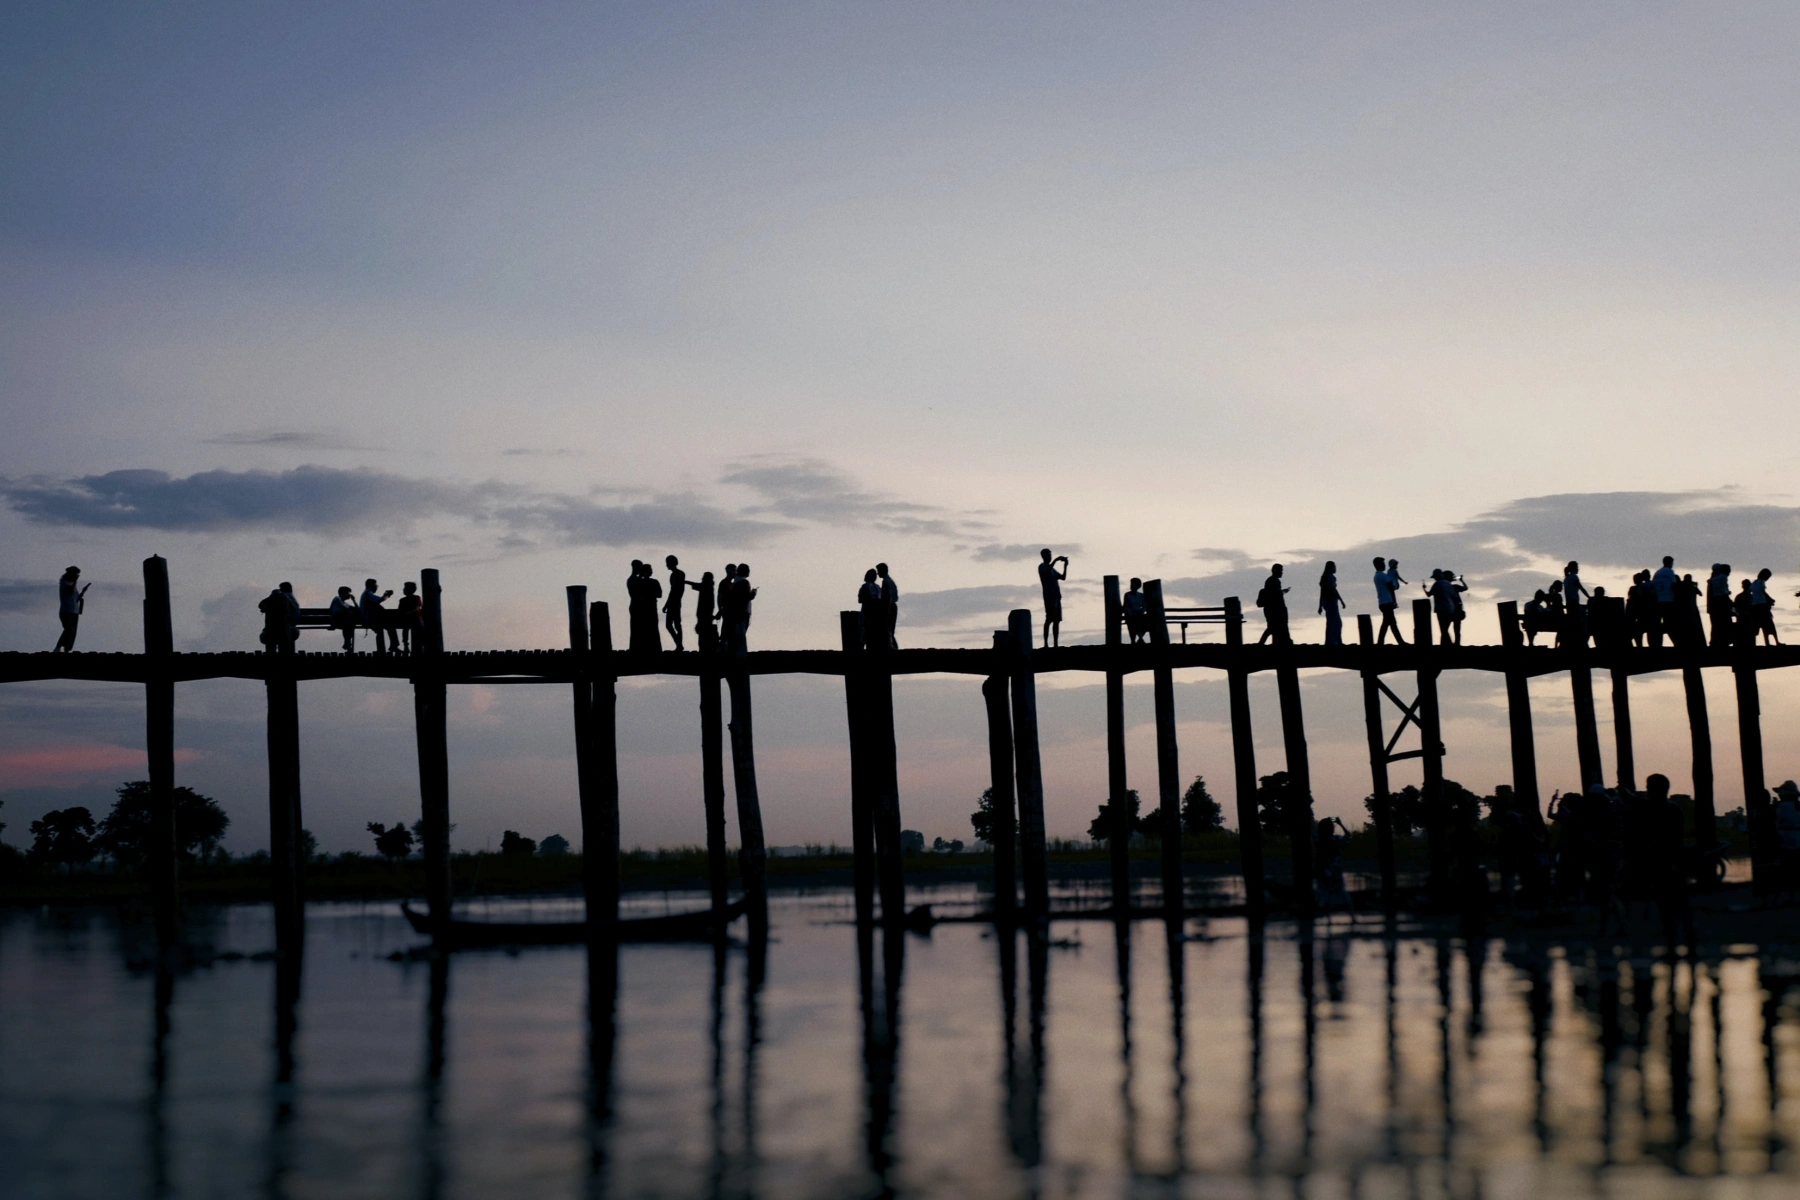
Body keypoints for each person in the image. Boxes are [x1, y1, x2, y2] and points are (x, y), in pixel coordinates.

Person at [54, 566, 90, 652]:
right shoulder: (64, 583)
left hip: (74, 611)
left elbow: (76, 598)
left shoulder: (73, 584)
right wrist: (75, 581)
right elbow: (69, 592)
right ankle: (58, 647)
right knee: (69, 629)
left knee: (73, 632)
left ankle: (67, 649)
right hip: (66, 610)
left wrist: (83, 591)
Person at [1371, 556, 1407, 645]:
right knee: (1391, 623)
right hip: (1387, 602)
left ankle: (1381, 642)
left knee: (1387, 623)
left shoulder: (1376, 576)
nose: (1384, 565)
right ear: (1379, 565)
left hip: (1382, 602)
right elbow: (1392, 587)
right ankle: (1400, 642)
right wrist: (1394, 600)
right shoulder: (1383, 576)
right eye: (1382, 563)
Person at [1038, 549, 1069, 648]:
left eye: (1050, 555)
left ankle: (1055, 644)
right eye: (1048, 555)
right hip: (1049, 597)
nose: (1050, 557)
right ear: (1043, 556)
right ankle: (1046, 644)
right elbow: (1046, 572)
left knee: (1056, 621)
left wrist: (1065, 566)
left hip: (1056, 596)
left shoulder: (1052, 569)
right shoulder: (1042, 567)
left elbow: (1063, 577)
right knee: (1049, 619)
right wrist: (1055, 560)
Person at [1427, 569, 1467, 645]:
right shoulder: (1454, 587)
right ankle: (1456, 644)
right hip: (1456, 608)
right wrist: (1462, 580)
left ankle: (1447, 644)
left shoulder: (1443, 586)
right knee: (1456, 629)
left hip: (1448, 608)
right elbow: (1465, 588)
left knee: (1444, 628)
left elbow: (1429, 594)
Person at [1776, 781, 1800, 899]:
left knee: (1788, 869)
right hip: (1797, 838)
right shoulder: (1796, 806)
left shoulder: (1783, 806)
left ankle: (1790, 896)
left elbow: (1777, 819)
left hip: (1786, 839)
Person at [1256, 563, 1290, 645]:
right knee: (1274, 628)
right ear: (1276, 571)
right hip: (1275, 609)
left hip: (1271, 608)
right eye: (1281, 571)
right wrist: (1284, 592)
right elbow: (1275, 595)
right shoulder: (1274, 581)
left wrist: (1283, 591)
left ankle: (1274, 642)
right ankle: (1262, 643)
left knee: (1273, 628)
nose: (1282, 573)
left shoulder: (1271, 580)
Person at [360, 578, 396, 655]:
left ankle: (383, 649)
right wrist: (387, 595)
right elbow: (379, 600)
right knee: (390, 625)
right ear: (372, 585)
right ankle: (392, 646)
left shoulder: (366, 593)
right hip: (370, 619)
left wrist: (386, 595)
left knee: (381, 630)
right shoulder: (368, 593)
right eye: (376, 585)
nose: (377, 586)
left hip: (368, 619)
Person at [1650, 556, 1679, 647]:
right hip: (1668, 599)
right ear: (1670, 563)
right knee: (1670, 622)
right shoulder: (1670, 572)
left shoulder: (1657, 573)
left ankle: (1658, 638)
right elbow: (1674, 585)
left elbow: (1653, 586)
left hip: (1658, 600)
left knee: (1664, 621)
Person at [1561, 561, 1590, 647]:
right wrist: (1590, 598)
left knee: (1574, 624)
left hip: (1569, 604)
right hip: (1574, 603)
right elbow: (1581, 588)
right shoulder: (1574, 577)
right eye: (1577, 567)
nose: (1578, 569)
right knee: (1582, 624)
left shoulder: (1566, 578)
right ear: (1574, 568)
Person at [663, 556, 687, 652]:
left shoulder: (679, 574)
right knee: (671, 625)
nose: (666, 565)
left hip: (675, 602)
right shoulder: (673, 575)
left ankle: (679, 644)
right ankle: (678, 644)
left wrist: (666, 604)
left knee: (676, 624)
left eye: (668, 563)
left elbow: (674, 590)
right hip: (674, 602)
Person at [1318, 561, 1345, 646]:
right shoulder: (1331, 577)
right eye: (1334, 566)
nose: (1335, 568)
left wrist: (1320, 605)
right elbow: (1334, 590)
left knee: (1330, 622)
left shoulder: (1324, 578)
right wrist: (1341, 600)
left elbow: (1321, 593)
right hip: (1331, 601)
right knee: (1337, 622)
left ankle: (1330, 641)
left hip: (1326, 602)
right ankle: (1336, 641)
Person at [258, 588, 293, 654]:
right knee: (288, 635)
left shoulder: (268, 601)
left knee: (267, 637)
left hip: (270, 633)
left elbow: (260, 605)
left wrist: (270, 598)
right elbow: (293, 608)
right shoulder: (286, 601)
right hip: (284, 634)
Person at [1708, 563, 1734, 647]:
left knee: (1716, 624)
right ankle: (1724, 640)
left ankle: (1716, 641)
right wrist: (1728, 594)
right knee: (1725, 622)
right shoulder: (1723, 578)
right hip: (1722, 602)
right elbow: (1723, 591)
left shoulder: (1713, 579)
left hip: (1715, 603)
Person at [1625, 570, 1652, 648]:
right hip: (1638, 613)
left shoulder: (1636, 588)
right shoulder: (1643, 587)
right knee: (1637, 634)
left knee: (1636, 633)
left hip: (1637, 613)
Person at [1753, 568, 1780, 645]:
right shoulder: (1761, 582)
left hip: (1755, 606)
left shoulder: (1754, 583)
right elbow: (1763, 592)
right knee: (1769, 624)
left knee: (1762, 625)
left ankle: (1767, 642)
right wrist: (1770, 599)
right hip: (1762, 605)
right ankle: (1776, 642)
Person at [857, 568, 883, 648]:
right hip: (876, 614)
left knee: (864, 632)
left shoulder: (864, 587)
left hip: (866, 612)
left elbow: (860, 600)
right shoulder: (878, 587)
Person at [329, 586, 358, 653]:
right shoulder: (337, 598)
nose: (350, 594)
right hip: (337, 619)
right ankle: (347, 642)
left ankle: (347, 642)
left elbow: (357, 610)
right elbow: (344, 608)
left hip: (344, 621)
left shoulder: (344, 603)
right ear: (344, 593)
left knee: (349, 623)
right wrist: (350, 611)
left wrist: (354, 601)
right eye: (348, 593)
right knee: (348, 620)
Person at [877, 562, 899, 650]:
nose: (878, 573)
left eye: (879, 571)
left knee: (887, 627)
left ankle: (891, 646)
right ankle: (893, 646)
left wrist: (887, 608)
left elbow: (888, 596)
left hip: (889, 606)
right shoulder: (890, 581)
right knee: (890, 628)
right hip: (892, 605)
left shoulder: (886, 581)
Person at [395, 581, 421, 653]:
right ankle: (407, 645)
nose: (403, 589)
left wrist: (406, 613)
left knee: (410, 628)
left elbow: (417, 608)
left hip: (414, 619)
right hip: (409, 620)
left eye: (405, 588)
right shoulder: (403, 600)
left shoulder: (416, 598)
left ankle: (412, 645)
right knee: (406, 627)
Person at [694, 570, 717, 650]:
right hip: (706, 616)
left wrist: (684, 581)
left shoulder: (706, 586)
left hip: (704, 616)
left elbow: (696, 585)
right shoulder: (709, 587)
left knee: (703, 638)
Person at [1122, 577, 1149, 644]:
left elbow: (1144, 606)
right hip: (1130, 615)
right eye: (1131, 584)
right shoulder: (1127, 595)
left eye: (1133, 584)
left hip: (1139, 614)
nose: (1131, 586)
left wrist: (1142, 611)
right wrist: (1129, 612)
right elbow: (1126, 606)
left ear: (1138, 586)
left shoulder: (1141, 595)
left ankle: (1140, 638)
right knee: (1133, 621)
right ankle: (1139, 639)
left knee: (1147, 620)